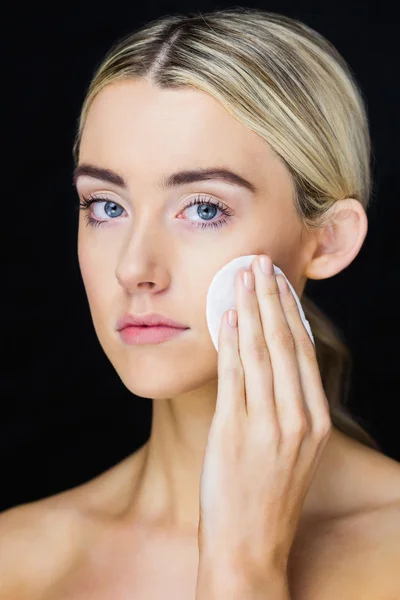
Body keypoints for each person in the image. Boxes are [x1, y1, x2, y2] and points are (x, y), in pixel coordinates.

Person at [1, 7, 400, 599]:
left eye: (204, 208)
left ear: (329, 239)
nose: (134, 268)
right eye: (106, 206)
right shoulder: (18, 559)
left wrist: (243, 566)